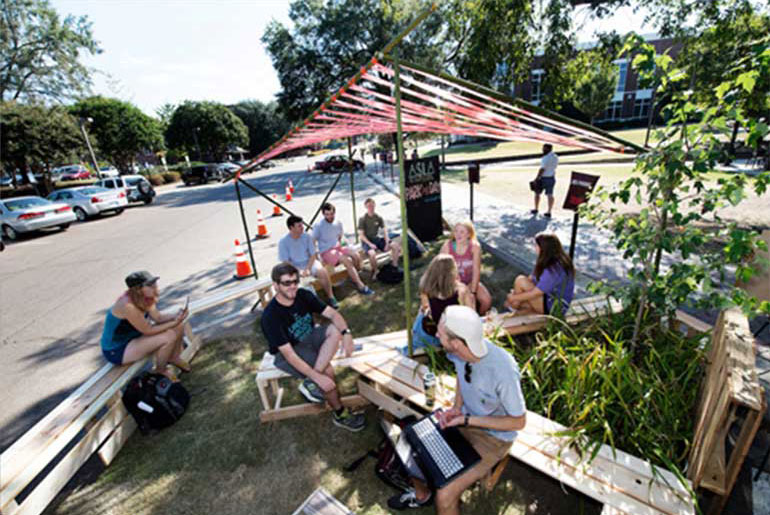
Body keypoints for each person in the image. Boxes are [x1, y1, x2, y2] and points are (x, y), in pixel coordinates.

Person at [388, 305, 527, 512]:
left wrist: (466, 420)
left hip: (494, 438)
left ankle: (441, 498)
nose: (436, 334)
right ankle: (422, 494)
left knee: (444, 496)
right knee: (409, 441)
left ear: (456, 342)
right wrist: (457, 408)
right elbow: (463, 377)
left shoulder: (503, 371)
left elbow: (518, 422)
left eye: (440, 333)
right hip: (465, 420)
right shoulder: (461, 352)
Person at [260, 262, 366, 432]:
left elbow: (332, 313)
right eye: (287, 283)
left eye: (295, 281)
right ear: (275, 286)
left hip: (309, 337)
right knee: (328, 375)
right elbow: (289, 355)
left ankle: (310, 382)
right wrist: (319, 377)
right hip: (289, 353)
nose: (292, 287)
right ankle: (340, 414)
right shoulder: (270, 316)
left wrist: (347, 334)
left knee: (335, 330)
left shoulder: (303, 295)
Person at [100, 271, 190, 380]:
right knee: (168, 337)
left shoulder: (145, 297)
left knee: (178, 326)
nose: (155, 287)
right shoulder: (128, 306)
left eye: (154, 283)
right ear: (137, 289)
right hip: (117, 349)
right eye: (150, 285)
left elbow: (158, 318)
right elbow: (148, 330)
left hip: (134, 338)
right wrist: (174, 322)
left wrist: (176, 316)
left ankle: (174, 357)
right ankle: (161, 370)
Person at [504, 232, 575, 316]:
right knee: (522, 290)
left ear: (543, 248)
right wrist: (517, 293)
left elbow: (536, 293)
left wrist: (513, 297)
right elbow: (531, 278)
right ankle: (517, 307)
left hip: (555, 308)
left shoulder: (554, 269)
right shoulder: (549, 259)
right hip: (548, 299)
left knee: (520, 281)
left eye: (536, 245)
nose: (534, 247)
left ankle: (513, 306)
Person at [413, 254, 474, 350]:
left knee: (420, 314)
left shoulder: (426, 287)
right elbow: (471, 314)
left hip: (431, 331)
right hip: (452, 334)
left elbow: (425, 307)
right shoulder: (461, 289)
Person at [312, 202, 374, 296]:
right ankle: (360, 285)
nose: (330, 216)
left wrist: (342, 246)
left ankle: (353, 277)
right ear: (323, 214)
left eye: (331, 214)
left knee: (356, 255)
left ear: (334, 212)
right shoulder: (318, 226)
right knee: (347, 261)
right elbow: (312, 242)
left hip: (337, 247)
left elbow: (340, 236)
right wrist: (317, 259)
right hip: (326, 251)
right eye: (327, 214)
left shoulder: (338, 222)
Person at [279, 214, 339, 308]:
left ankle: (331, 297)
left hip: (309, 263)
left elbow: (313, 255)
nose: (302, 227)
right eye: (299, 226)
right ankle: (313, 306)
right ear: (291, 227)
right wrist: (298, 271)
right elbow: (286, 262)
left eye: (302, 225)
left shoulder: (306, 237)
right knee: (301, 284)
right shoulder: (283, 242)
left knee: (322, 271)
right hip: (293, 267)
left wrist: (307, 269)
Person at [440, 221, 491, 315]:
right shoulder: (447, 246)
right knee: (463, 305)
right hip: (453, 282)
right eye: (456, 231)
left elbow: (476, 270)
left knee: (486, 301)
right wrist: (456, 285)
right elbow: (441, 269)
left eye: (462, 232)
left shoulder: (475, 246)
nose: (458, 234)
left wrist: (473, 291)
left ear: (469, 234)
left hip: (470, 281)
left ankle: (480, 318)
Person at [358, 197, 401, 279]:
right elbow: (361, 235)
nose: (371, 208)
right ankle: (376, 271)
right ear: (366, 207)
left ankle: (394, 266)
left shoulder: (378, 217)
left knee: (395, 246)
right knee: (372, 254)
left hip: (376, 239)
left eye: (372, 205)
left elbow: (385, 230)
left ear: (375, 205)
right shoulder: (362, 219)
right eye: (369, 206)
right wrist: (370, 244)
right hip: (367, 241)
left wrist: (387, 242)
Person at [531, 143, 558, 218]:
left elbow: (542, 169)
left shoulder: (545, 158)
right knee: (550, 194)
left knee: (537, 193)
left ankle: (536, 208)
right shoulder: (555, 156)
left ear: (548, 149)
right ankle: (549, 211)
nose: (542, 150)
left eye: (544, 148)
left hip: (543, 178)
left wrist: (537, 178)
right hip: (551, 177)